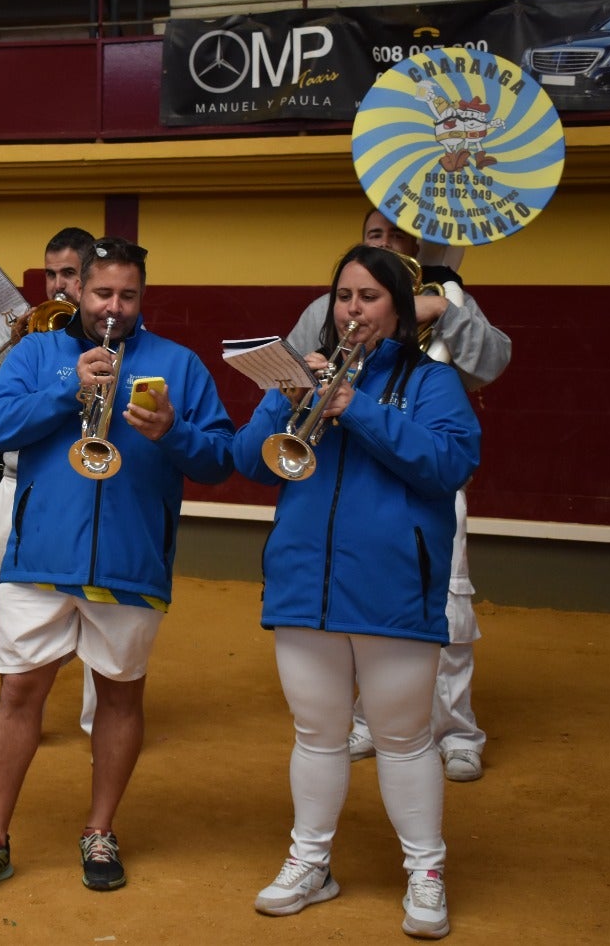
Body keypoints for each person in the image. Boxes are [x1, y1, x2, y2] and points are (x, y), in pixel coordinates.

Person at [0, 238, 234, 898]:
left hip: (132, 560)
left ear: (141, 297)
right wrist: (65, 386)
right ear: (80, 292)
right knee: (19, 693)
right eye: (103, 293)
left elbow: (220, 458)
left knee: (121, 694)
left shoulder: (179, 365)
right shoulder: (40, 351)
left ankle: (100, 829)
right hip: (41, 556)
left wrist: (174, 433)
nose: (114, 307)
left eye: (128, 296)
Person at [234, 244, 481, 939]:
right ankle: (310, 863)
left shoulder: (430, 382)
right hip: (304, 585)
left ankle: (425, 871)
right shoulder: (302, 371)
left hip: (392, 589)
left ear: (398, 311)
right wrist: (281, 399)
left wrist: (356, 408)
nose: (352, 310)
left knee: (404, 741)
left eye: (369, 298)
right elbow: (250, 466)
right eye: (344, 297)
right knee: (316, 735)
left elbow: (450, 463)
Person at [287, 207, 510, 783]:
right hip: (344, 476)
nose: (386, 243)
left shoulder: (447, 295)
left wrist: (444, 313)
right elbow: (288, 367)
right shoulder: (334, 304)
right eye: (375, 235)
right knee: (356, 600)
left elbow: (491, 363)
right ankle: (368, 716)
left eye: (398, 236)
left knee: (449, 604)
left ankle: (457, 729)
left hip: (422, 475)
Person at [0, 225, 96, 756]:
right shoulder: (23, 329)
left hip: (86, 486)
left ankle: (98, 720)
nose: (59, 285)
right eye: (52, 273)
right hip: (16, 484)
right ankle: (14, 715)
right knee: (14, 609)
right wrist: (14, 340)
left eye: (71, 274)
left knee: (97, 603)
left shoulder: (109, 332)